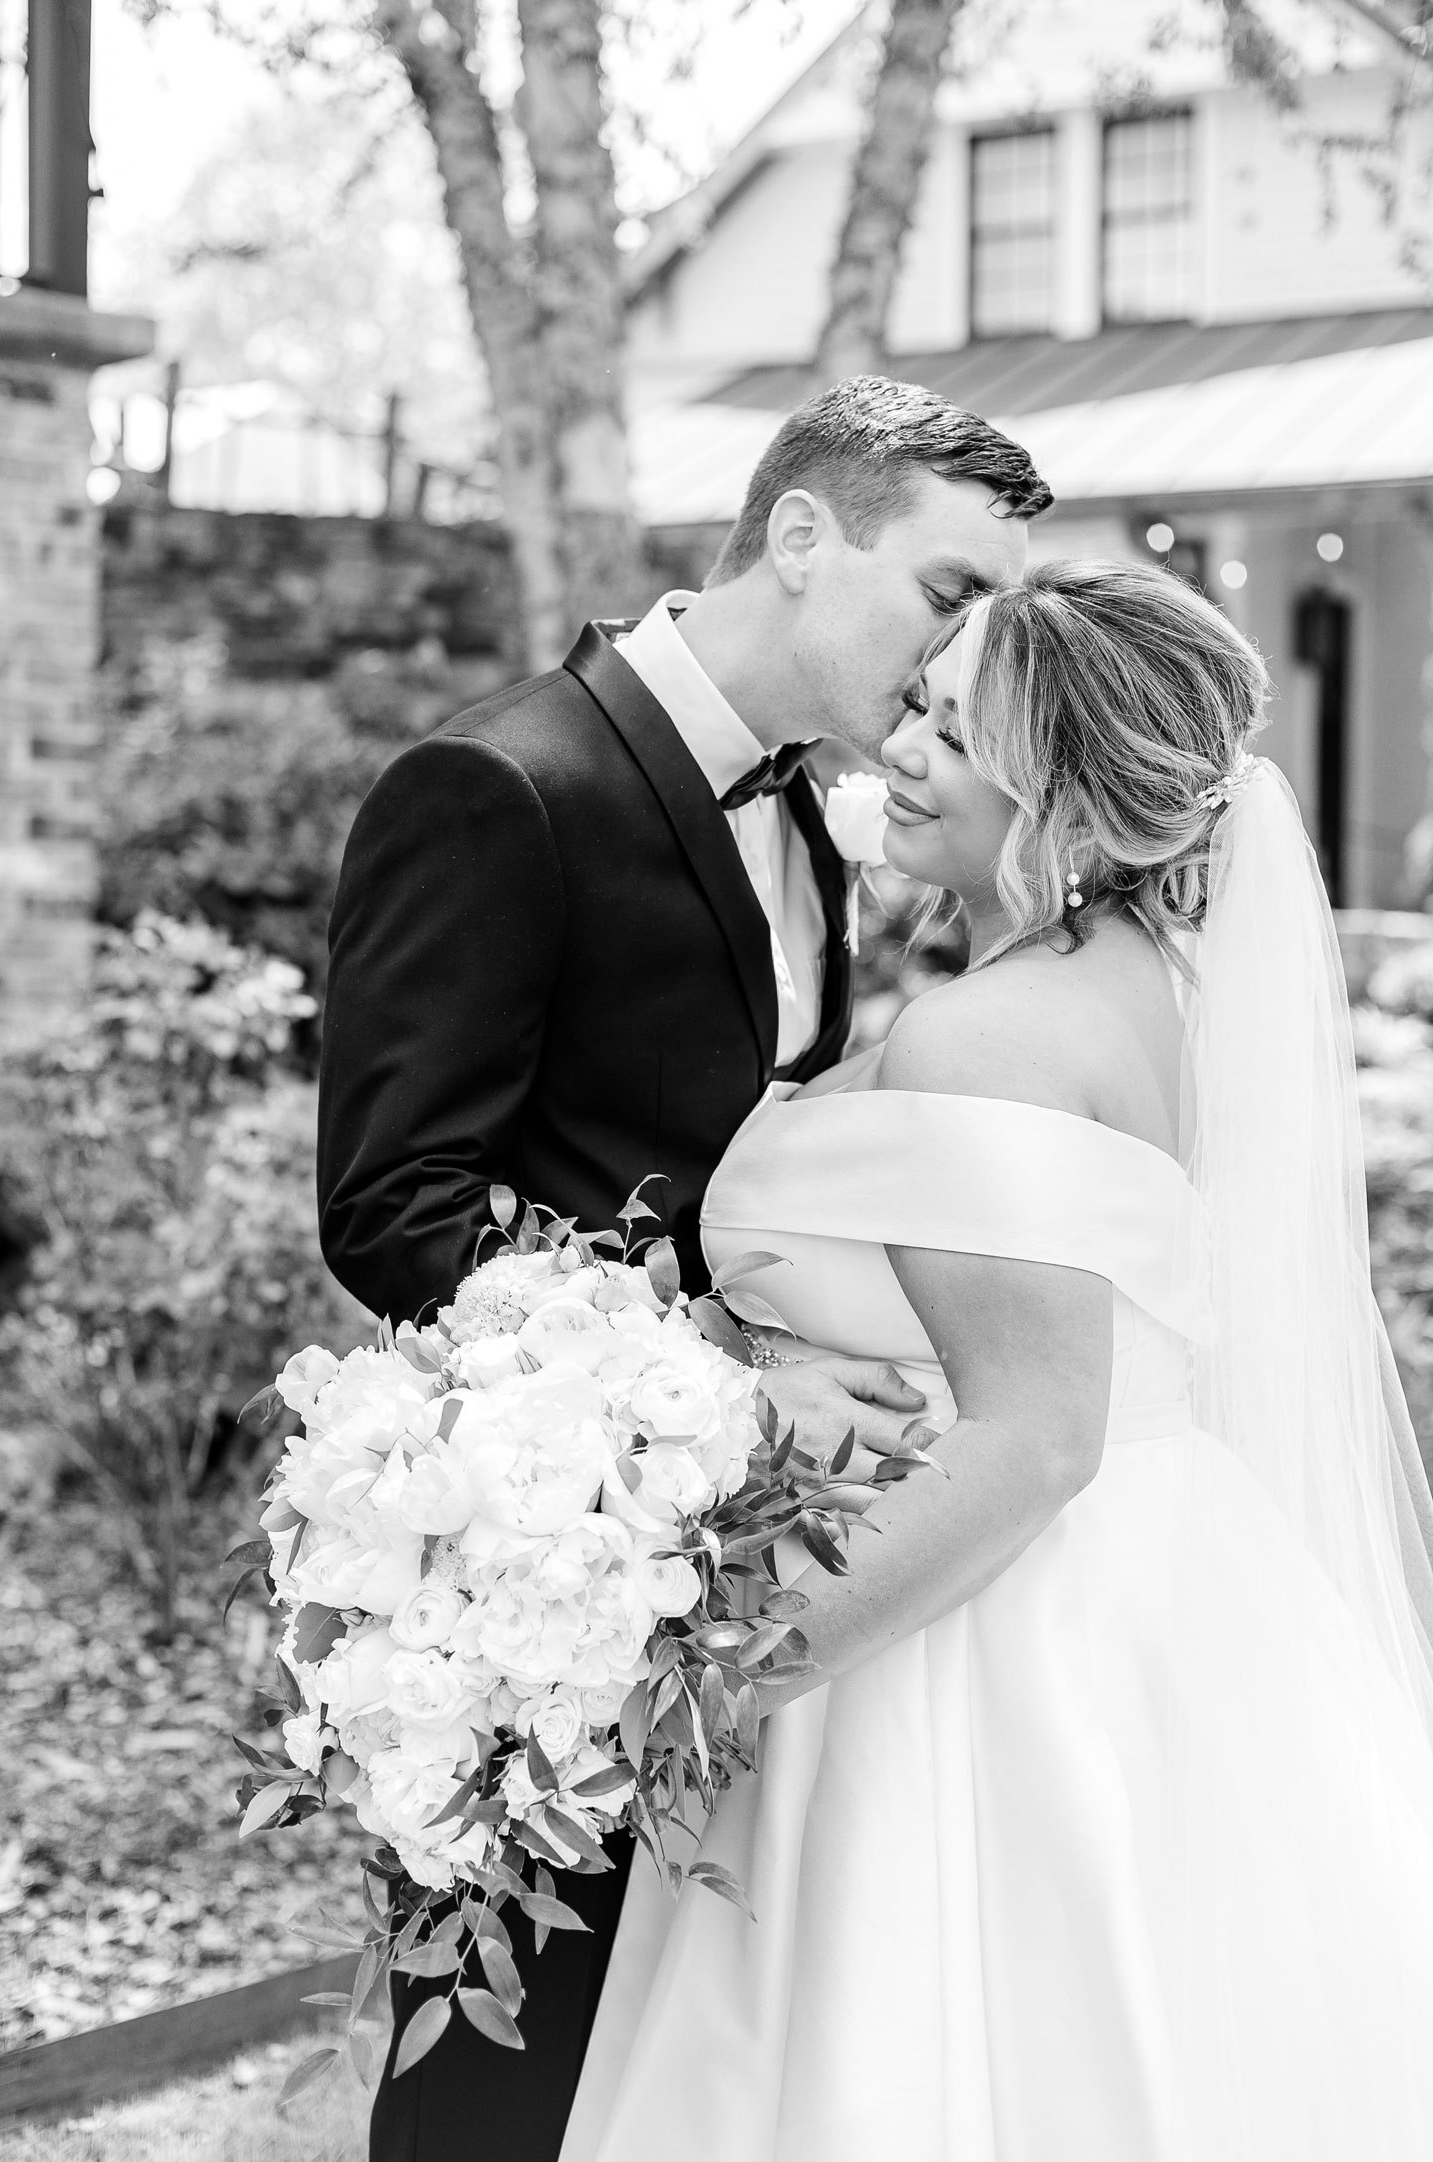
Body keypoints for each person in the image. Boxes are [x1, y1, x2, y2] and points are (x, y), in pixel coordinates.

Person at [561, 560, 1433, 2162]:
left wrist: (722, 1675)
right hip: (1157, 1591)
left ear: (1063, 801)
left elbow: (1031, 1436)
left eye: (955, 734)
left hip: (972, 1623)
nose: (902, 747)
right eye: (921, 706)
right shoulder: (1150, 992)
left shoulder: (993, 1039)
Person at [314, 376, 1054, 2162]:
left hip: (751, 1569)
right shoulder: (500, 784)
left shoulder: (813, 812)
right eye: (954, 595)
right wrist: (727, 1367)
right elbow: (397, 1207)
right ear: (802, 535)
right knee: (497, 2081)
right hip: (543, 1569)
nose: (973, 656)